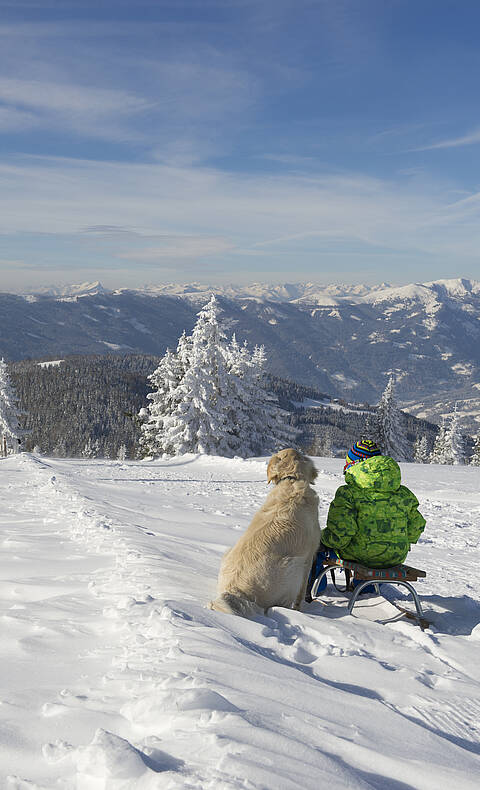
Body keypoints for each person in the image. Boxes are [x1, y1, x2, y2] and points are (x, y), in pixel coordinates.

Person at [306, 439, 426, 598]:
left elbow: (340, 536)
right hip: (395, 556)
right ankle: (365, 589)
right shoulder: (403, 493)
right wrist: (397, 540)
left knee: (315, 546)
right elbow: (417, 525)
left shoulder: (348, 493)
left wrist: (322, 539)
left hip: (359, 555)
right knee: (370, 551)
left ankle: (316, 590)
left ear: (353, 466)